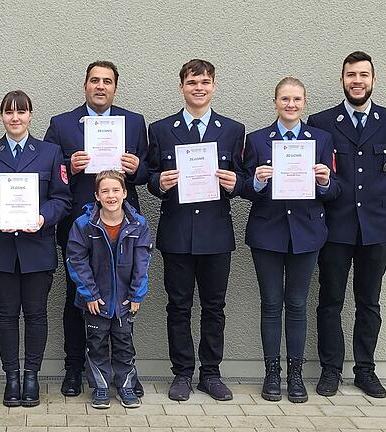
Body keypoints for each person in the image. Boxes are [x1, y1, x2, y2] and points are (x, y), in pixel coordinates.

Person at [44, 61, 148, 397]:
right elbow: (47, 170)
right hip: (80, 228)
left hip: (122, 230)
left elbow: (146, 172)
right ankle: (75, 368)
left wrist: (136, 168)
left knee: (122, 300)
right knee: (79, 298)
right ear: (85, 85)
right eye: (94, 80)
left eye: (107, 81)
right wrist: (68, 166)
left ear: (115, 87)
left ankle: (124, 374)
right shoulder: (61, 124)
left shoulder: (133, 122)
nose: (100, 86)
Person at [308, 51, 386, 398]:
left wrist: (373, 204)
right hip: (336, 225)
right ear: (342, 79)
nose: (357, 81)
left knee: (369, 302)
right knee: (330, 300)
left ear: (373, 80)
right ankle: (331, 370)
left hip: (376, 228)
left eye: (364, 75)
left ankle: (365, 370)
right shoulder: (321, 122)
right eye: (351, 75)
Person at [146, 59, 245, 401]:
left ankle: (211, 373)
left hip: (216, 233)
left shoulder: (233, 129)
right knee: (178, 306)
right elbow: (149, 177)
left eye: (204, 82)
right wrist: (159, 181)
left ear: (214, 86)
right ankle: (183, 373)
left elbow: (245, 179)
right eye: (192, 82)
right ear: (181, 87)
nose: (198, 88)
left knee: (215, 307)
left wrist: (237, 183)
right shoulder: (161, 129)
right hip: (177, 232)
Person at [0, 90, 70, 407]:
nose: (15, 117)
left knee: (37, 315)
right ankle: (11, 376)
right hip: (1, 248)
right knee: (6, 315)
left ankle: (32, 377)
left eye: (21, 112)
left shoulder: (50, 153)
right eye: (9, 112)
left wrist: (43, 217)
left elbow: (63, 200)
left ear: (30, 115)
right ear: (1, 116)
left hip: (37, 247)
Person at [240, 77, 338, 402]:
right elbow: (241, 188)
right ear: (275, 102)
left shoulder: (321, 140)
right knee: (270, 305)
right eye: (285, 99)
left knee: (296, 305)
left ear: (304, 102)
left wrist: (324, 182)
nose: (291, 104)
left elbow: (336, 188)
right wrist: (255, 181)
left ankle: (295, 375)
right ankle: (272, 374)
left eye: (297, 99)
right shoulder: (256, 140)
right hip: (268, 232)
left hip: (307, 234)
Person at [66, 170, 152, 409]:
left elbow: (142, 262)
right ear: (97, 195)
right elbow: (76, 260)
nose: (111, 195)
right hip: (95, 300)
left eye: (116, 190)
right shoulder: (84, 224)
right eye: (105, 191)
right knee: (97, 344)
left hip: (125, 300)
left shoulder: (138, 224)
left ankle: (125, 385)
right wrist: (89, 293)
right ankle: (101, 387)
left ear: (125, 193)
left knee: (125, 344)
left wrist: (137, 293)